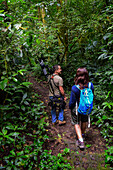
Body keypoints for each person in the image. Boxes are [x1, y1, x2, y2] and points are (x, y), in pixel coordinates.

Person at [69, 68, 94, 149]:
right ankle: (82, 134)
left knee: (76, 123)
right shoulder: (90, 85)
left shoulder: (75, 88)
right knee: (84, 121)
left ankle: (80, 140)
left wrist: (70, 107)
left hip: (76, 108)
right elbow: (92, 96)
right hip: (86, 107)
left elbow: (72, 101)